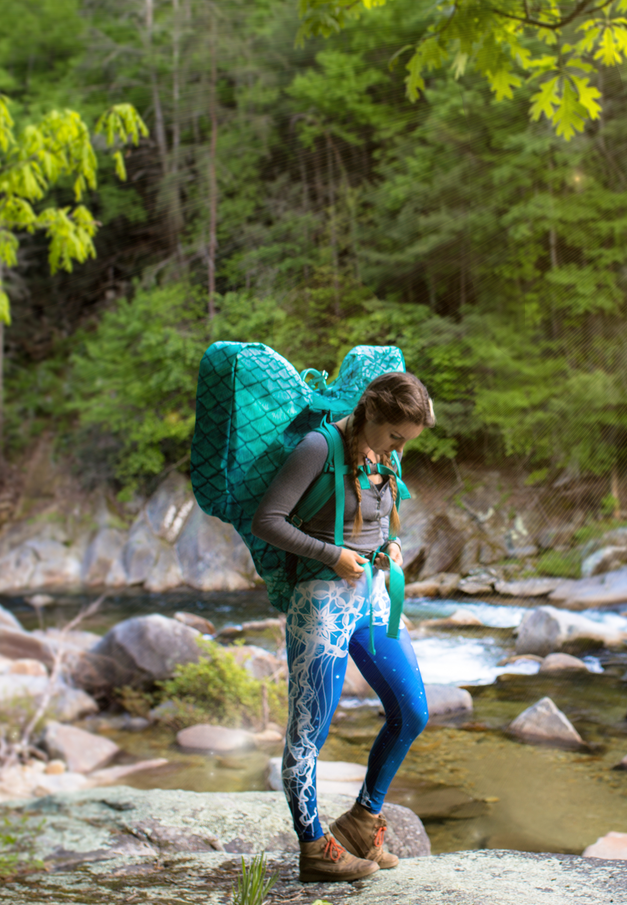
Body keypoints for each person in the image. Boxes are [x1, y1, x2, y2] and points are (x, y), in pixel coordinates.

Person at [251, 371, 435, 883]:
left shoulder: (386, 453)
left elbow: (378, 515)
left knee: (412, 710)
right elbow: (268, 520)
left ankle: (361, 821)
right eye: (396, 436)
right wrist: (332, 556)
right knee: (309, 730)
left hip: (374, 596)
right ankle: (314, 847)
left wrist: (391, 546)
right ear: (372, 413)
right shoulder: (318, 446)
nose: (399, 448)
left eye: (407, 441)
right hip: (322, 603)